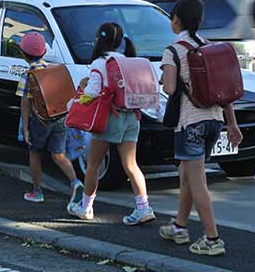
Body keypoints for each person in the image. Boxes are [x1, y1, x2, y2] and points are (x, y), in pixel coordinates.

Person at [159, 0, 243, 256]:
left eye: (173, 17)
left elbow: (170, 89)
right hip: (214, 121)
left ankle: (212, 238)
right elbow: (224, 92)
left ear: (177, 19)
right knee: (186, 174)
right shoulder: (209, 47)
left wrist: (165, 76)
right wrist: (233, 125)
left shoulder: (173, 50)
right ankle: (179, 226)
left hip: (190, 122)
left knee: (197, 181)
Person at [68, 23, 154, 225]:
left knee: (93, 165)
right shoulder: (127, 61)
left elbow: (93, 92)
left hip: (110, 118)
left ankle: (86, 207)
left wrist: (78, 96)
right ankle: (143, 207)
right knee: (131, 165)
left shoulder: (99, 63)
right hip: (132, 117)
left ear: (99, 39)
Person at [17, 32, 83, 206]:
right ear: (44, 52)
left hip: (39, 120)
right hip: (60, 116)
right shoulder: (53, 70)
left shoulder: (28, 75)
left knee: (35, 153)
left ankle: (37, 191)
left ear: (23, 54)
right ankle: (76, 182)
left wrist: (25, 128)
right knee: (59, 155)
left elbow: (25, 104)